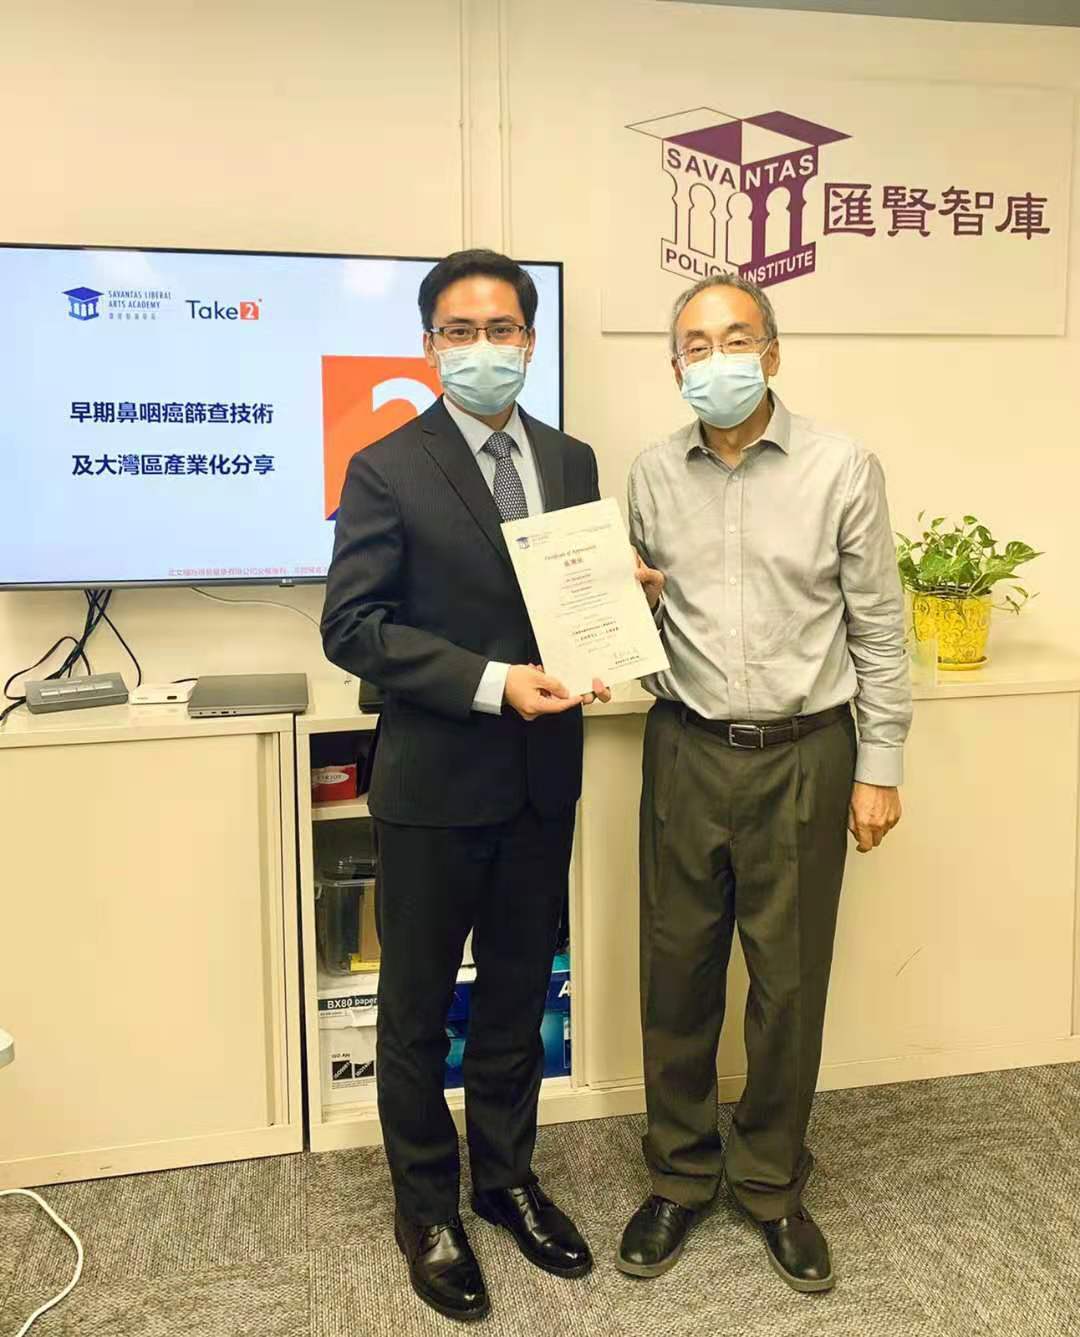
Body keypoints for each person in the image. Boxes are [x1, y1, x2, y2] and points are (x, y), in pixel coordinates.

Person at [322, 249, 607, 1324]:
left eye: (502, 328)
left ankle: (506, 1179)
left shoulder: (572, 459)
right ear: (429, 345)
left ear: (530, 340)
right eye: (460, 330)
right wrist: (492, 682)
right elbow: (354, 627)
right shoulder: (386, 466)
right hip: (435, 784)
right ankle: (427, 1209)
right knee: (414, 1010)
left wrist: (612, 616)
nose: (483, 347)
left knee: (517, 994)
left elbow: (567, 596)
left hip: (542, 780)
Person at [618, 272, 912, 1293]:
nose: (717, 360)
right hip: (685, 746)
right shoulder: (651, 475)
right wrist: (626, 611)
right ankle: (679, 1172)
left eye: (736, 339)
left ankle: (773, 1180)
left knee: (789, 983)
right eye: (695, 346)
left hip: (805, 752)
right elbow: (634, 628)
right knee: (677, 971)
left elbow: (879, 626)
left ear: (773, 352)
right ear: (675, 367)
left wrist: (879, 764)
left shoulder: (842, 468)